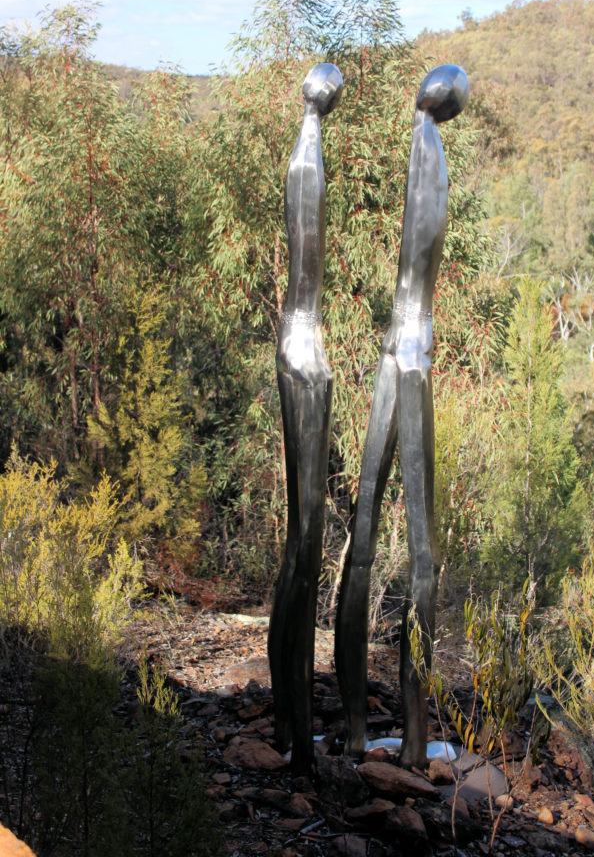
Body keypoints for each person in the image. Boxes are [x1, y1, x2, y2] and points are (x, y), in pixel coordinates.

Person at [335, 64, 470, 768]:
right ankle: (412, 741)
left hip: (395, 348)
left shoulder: (424, 145)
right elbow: (424, 246)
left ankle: (362, 731)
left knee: (362, 543)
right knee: (418, 555)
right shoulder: (432, 152)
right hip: (409, 358)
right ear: (448, 104)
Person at [268, 62, 343, 775]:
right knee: (302, 546)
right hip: (303, 357)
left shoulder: (304, 150)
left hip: (303, 351)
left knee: (302, 548)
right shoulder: (306, 158)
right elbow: (306, 270)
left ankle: (294, 726)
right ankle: (294, 731)